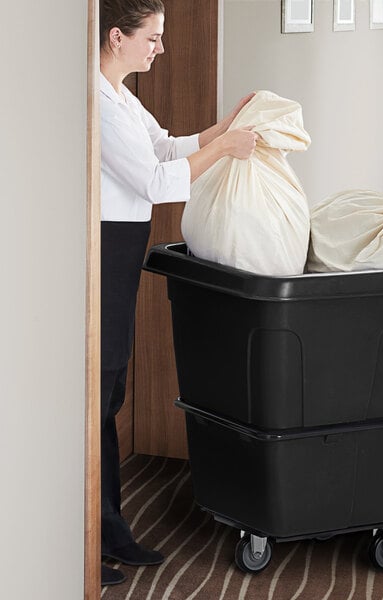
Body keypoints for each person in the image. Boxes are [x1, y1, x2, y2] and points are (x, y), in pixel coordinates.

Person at [99, 0, 257, 587]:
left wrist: (227, 126)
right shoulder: (97, 103)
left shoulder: (119, 94)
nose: (160, 48)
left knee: (111, 387)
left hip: (121, 251)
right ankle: (88, 538)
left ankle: (110, 526)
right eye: (153, 37)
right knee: (98, 393)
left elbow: (165, 146)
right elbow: (157, 182)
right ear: (117, 36)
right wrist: (223, 151)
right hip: (104, 252)